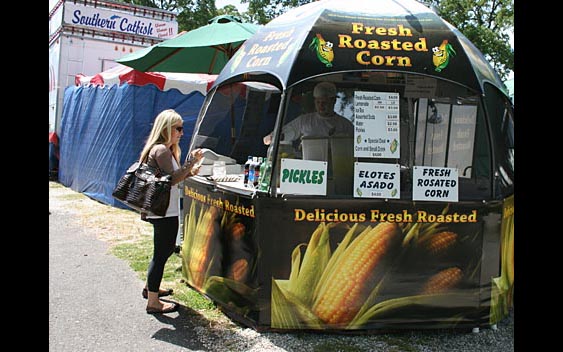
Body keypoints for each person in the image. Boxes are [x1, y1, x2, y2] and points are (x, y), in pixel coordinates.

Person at [138, 109, 204, 314]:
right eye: (178, 128)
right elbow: (173, 179)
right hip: (164, 211)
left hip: (165, 209)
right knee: (162, 252)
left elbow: (174, 177)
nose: (181, 133)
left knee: (164, 250)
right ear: (167, 128)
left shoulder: (164, 149)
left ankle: (152, 289)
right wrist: (191, 163)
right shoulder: (161, 150)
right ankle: (153, 302)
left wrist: (190, 169)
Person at [263, 82, 353, 146]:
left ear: (334, 101)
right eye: (318, 102)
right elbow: (289, 132)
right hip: (308, 167)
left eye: (325, 102)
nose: (321, 106)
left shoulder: (345, 125)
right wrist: (273, 137)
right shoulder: (305, 121)